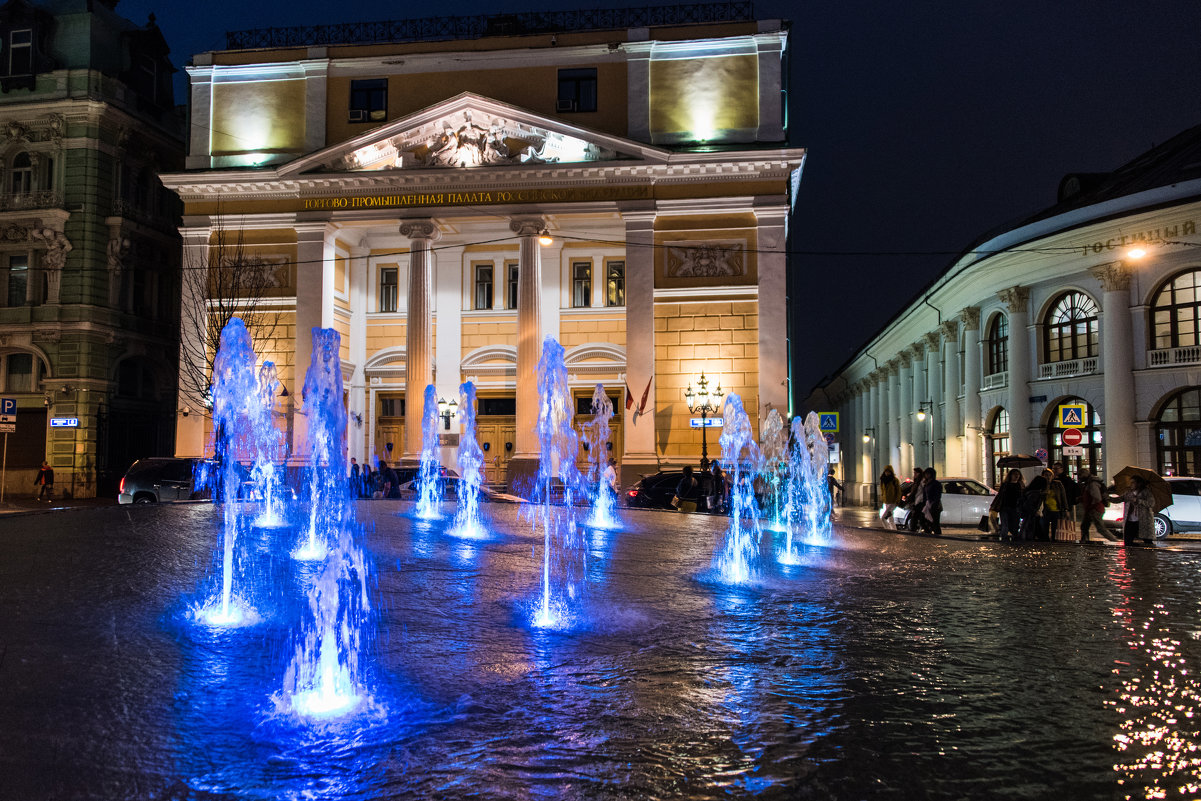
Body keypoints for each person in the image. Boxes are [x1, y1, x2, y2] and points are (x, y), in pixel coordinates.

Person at [1120, 474, 1155, 545]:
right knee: (1128, 542)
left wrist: (1139, 501)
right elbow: (1120, 499)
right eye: (1130, 482)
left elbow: (1151, 503)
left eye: (1133, 482)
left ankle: (1147, 554)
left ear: (1138, 484)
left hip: (1142, 520)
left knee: (1147, 541)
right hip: (1130, 520)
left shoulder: (1146, 492)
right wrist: (1107, 498)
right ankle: (1133, 554)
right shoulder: (1128, 492)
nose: (1131, 484)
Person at [992, 469, 1024, 542]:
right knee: (1005, 523)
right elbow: (1000, 495)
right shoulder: (1005, 484)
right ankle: (1004, 537)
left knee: (1015, 524)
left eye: (1018, 474)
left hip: (1016, 507)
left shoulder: (1020, 485)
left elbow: (1021, 496)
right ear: (1010, 475)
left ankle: (1015, 537)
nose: (1016, 476)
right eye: (1014, 474)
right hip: (1005, 507)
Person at [1077, 468, 1107, 543]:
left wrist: (1091, 505)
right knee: (1084, 526)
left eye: (1080, 475)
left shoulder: (1092, 483)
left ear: (1085, 474)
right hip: (1092, 509)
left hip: (1095, 509)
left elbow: (1097, 498)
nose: (1079, 477)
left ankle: (1114, 540)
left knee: (1101, 529)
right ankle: (1084, 541)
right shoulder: (1089, 483)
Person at [1052, 462, 1079, 536]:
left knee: (1063, 521)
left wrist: (1068, 506)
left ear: (1061, 469)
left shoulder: (1066, 480)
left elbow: (1069, 493)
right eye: (1053, 468)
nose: (1054, 470)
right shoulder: (1053, 479)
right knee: (1059, 521)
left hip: (1064, 504)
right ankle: (1060, 536)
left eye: (1056, 469)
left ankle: (1063, 536)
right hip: (1056, 504)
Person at [1042, 468, 1068, 541]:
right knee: (1045, 526)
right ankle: (1045, 540)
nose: (1048, 477)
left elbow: (1063, 496)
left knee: (1055, 527)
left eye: (1050, 475)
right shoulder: (1041, 485)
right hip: (1045, 510)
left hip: (1056, 509)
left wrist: (1066, 509)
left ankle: (1054, 539)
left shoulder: (1058, 484)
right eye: (1046, 475)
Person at [1021, 474, 1048, 540]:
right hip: (1034, 514)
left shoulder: (1030, 492)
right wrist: (1034, 511)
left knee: (1032, 528)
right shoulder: (1035, 494)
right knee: (1035, 529)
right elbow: (1030, 505)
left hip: (1032, 514)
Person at [921, 467, 943, 535]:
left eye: (927, 474)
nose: (926, 476)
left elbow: (937, 496)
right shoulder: (926, 484)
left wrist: (933, 504)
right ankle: (929, 532)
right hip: (928, 504)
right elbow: (925, 495)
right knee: (924, 519)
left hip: (934, 505)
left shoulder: (936, 484)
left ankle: (937, 535)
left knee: (935, 522)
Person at [879, 464, 901, 530]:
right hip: (886, 502)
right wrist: (882, 499)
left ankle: (888, 530)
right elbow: (882, 491)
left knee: (883, 518)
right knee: (890, 518)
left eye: (888, 471)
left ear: (891, 472)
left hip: (892, 502)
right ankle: (893, 530)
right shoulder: (883, 480)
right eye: (886, 471)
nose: (887, 473)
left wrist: (897, 500)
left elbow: (898, 491)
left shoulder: (894, 480)